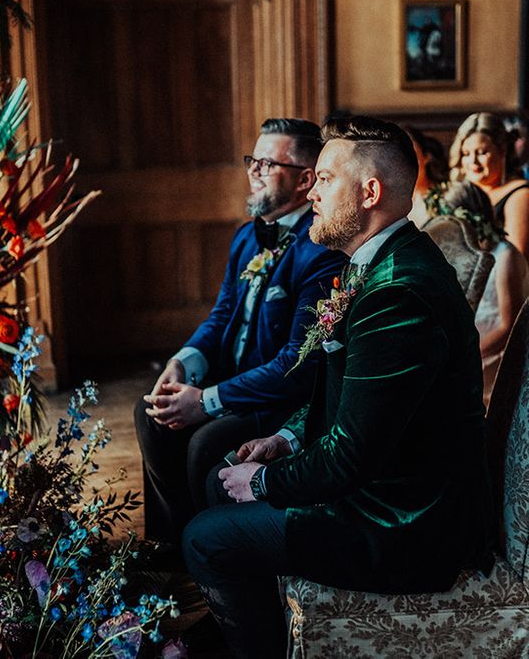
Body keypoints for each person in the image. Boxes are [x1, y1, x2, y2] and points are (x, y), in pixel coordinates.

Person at [182, 116, 494, 659]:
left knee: (203, 538)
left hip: (402, 523)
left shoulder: (398, 292)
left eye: (325, 179)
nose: (313, 190)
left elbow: (351, 458)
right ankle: (247, 629)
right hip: (384, 485)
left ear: (369, 192)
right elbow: (349, 395)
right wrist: (287, 439)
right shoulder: (372, 264)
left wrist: (265, 483)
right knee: (216, 479)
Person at [134, 118, 346, 544]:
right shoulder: (245, 238)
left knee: (206, 442)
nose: (253, 172)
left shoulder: (320, 249)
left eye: (267, 164)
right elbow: (221, 316)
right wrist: (183, 362)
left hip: (278, 398)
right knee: (151, 414)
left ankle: (210, 552)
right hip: (232, 380)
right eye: (253, 160)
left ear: (305, 179)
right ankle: (172, 541)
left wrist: (208, 401)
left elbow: (297, 365)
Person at [427, 180, 529, 405]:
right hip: (469, 344)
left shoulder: (505, 255)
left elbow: (509, 323)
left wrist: (468, 354)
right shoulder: (460, 257)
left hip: (495, 354)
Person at [450, 112, 529, 261]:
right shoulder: (458, 193)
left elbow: (517, 256)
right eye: (466, 153)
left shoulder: (520, 194)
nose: (473, 161)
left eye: (482, 153)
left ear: (502, 151)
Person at [405, 126, 448, 228]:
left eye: (412, 156)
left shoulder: (446, 194)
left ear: (426, 157)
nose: (406, 164)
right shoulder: (392, 200)